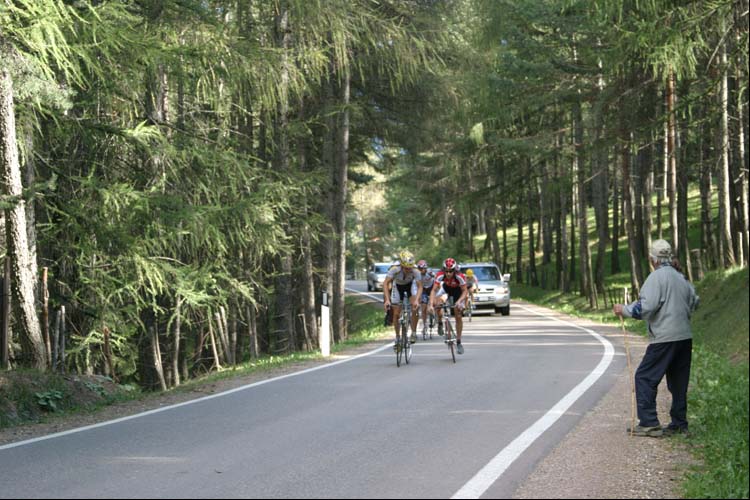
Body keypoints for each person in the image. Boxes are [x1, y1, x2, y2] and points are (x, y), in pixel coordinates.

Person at [613, 239, 699, 437]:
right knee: (678, 382)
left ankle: (649, 422)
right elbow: (695, 301)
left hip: (664, 337)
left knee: (644, 377)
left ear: (653, 259)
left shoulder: (655, 278)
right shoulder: (681, 277)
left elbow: (646, 307)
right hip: (684, 337)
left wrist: (623, 310)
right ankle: (679, 424)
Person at [383, 250, 423, 348]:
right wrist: (387, 300)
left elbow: (420, 287)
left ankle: (413, 332)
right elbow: (385, 283)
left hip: (410, 286)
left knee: (415, 307)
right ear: (401, 265)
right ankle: (397, 337)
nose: (408, 270)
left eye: (410, 268)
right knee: (396, 314)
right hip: (398, 287)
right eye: (406, 268)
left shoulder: (415, 270)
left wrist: (417, 300)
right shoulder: (394, 269)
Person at [429, 257, 469, 354]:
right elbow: (434, 290)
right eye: (446, 271)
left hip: (458, 292)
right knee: (437, 304)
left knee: (458, 315)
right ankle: (440, 323)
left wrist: (459, 301)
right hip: (446, 289)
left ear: (454, 270)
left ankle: (458, 341)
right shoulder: (440, 275)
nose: (448, 274)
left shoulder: (459, 276)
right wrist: (431, 305)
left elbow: (465, 291)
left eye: (450, 271)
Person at [416, 260, 436, 337]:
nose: (422, 271)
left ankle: (433, 315)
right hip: (423, 289)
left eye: (423, 269)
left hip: (431, 288)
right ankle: (425, 325)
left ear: (426, 268)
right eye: (420, 269)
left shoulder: (430, 272)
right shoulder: (417, 275)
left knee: (432, 304)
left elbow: (437, 280)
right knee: (423, 307)